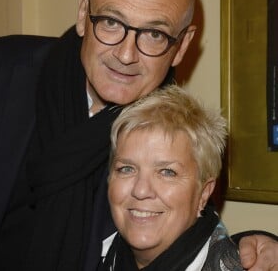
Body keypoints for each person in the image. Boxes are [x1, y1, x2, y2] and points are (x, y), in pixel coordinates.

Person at [0, 0, 277, 270]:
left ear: (182, 45)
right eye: (110, 22)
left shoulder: (174, 134)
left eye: (154, 34)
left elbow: (184, 233)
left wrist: (246, 249)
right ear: (84, 13)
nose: (125, 54)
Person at [102, 84, 242, 270]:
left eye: (167, 172)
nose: (141, 190)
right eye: (127, 169)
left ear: (203, 193)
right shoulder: (90, 253)